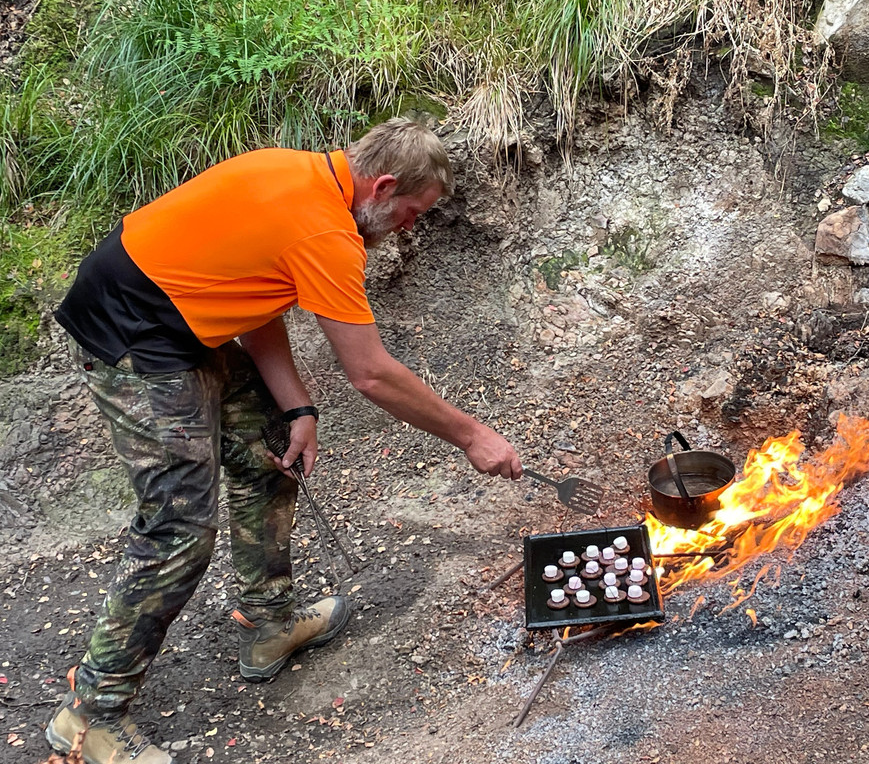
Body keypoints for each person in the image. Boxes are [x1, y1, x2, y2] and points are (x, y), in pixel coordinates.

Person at [44, 118, 523, 764]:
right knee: (179, 526)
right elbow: (372, 373)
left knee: (273, 445)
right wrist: (472, 436)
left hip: (184, 322)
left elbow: (253, 293)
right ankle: (90, 716)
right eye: (411, 213)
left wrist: (296, 405)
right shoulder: (325, 231)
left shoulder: (303, 178)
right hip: (133, 328)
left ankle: (267, 624)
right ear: (382, 185)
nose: (409, 227)